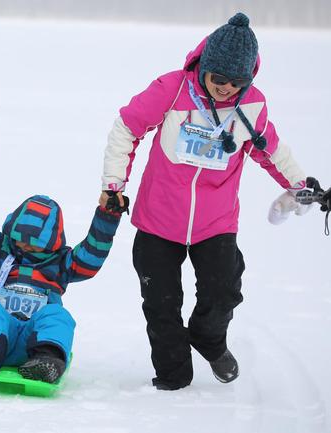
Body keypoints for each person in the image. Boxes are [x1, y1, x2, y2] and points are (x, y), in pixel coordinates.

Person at [100, 13, 318, 390]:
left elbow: (271, 149)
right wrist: (114, 184)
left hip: (215, 221)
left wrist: (299, 183)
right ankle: (173, 377)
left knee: (224, 290)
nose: (226, 89)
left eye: (237, 83)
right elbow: (127, 127)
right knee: (161, 305)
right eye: (219, 79)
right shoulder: (172, 89)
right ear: (205, 69)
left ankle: (208, 337)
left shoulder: (251, 106)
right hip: (158, 218)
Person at [0, 181, 128, 383]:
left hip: (34, 341)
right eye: (20, 239)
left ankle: (47, 361)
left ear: (51, 243)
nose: (25, 246)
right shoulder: (1, 248)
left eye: (35, 244)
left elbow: (91, 257)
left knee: (57, 316)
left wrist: (107, 217)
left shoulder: (61, 261)